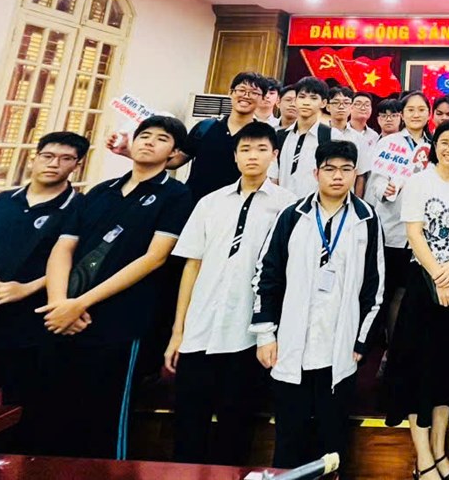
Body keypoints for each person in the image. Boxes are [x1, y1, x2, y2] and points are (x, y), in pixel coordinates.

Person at [35, 115, 193, 459]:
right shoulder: (99, 191)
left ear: (174, 153)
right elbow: (64, 247)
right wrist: (60, 302)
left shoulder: (176, 195)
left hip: (120, 322)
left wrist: (80, 304)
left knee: (103, 422)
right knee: (51, 417)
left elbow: (154, 258)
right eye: (144, 135)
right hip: (64, 319)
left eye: (161, 139)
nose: (149, 142)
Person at [165, 122, 298, 466]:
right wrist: (178, 331)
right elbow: (192, 266)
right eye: (245, 149)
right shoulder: (210, 203)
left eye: (261, 149)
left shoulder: (288, 206)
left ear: (274, 155)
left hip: (246, 333)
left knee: (235, 428)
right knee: (188, 426)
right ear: (235, 156)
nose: (253, 156)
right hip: (200, 328)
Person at [252, 140, 385, 470]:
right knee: (289, 439)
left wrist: (361, 342)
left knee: (332, 443)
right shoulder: (292, 215)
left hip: (339, 348)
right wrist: (266, 334)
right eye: (330, 169)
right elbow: (267, 275)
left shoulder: (366, 219)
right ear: (316, 173)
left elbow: (375, 287)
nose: (338, 176)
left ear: (355, 173)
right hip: (291, 344)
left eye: (346, 169)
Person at [0, 131, 87, 449]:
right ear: (35, 157)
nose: (54, 164)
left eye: (65, 158)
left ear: (77, 165)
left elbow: (75, 264)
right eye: (48, 156)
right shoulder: (2, 201)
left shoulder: (79, 208)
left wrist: (25, 289)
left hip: (31, 321)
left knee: (24, 408)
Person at [386, 119, 449, 480]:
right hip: (424, 286)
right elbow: (414, 233)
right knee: (418, 370)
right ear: (434, 146)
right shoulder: (419, 181)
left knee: (448, 370)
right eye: (444, 142)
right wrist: (440, 275)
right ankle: (424, 458)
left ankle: (440, 452)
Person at [106, 71, 265, 205]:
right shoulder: (205, 127)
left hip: (235, 206)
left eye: (254, 93)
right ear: (231, 93)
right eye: (241, 90)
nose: (246, 96)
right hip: (194, 203)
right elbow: (175, 162)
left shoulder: (262, 135)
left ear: (262, 98)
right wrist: (128, 151)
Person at [361, 91, 433, 370]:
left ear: (428, 113)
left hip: (421, 233)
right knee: (387, 294)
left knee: (407, 294)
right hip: (391, 230)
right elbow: (375, 183)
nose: (416, 114)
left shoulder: (432, 146)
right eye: (410, 110)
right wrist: (386, 190)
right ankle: (387, 353)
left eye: (421, 109)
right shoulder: (389, 143)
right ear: (402, 114)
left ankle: (404, 352)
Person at [276, 77, 336, 199]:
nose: (306, 102)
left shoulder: (331, 136)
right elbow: (273, 176)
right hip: (281, 205)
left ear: (323, 103)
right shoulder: (280, 136)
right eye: (302, 97)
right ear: (295, 100)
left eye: (313, 98)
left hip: (315, 205)